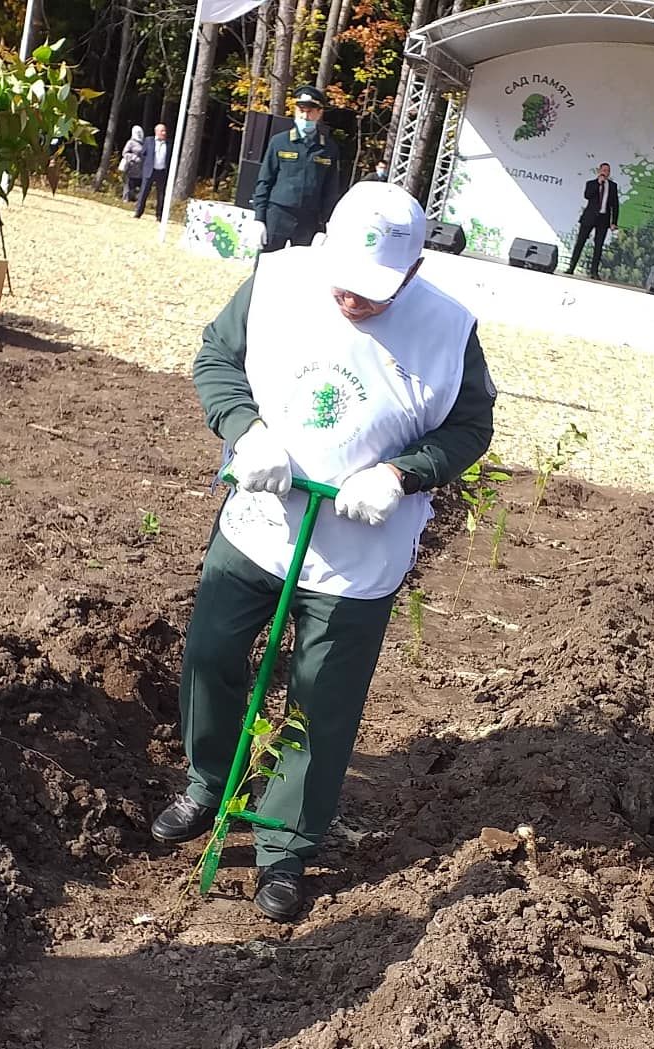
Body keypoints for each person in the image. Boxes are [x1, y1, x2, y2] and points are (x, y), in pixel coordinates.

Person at [150, 182, 497, 922]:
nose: (353, 299)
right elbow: (216, 359)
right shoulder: (276, 280)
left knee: (320, 702)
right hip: (259, 522)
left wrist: (403, 474)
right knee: (211, 653)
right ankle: (208, 781)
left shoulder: (448, 329)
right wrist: (246, 430)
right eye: (343, 281)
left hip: (358, 550)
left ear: (411, 270)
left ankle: (283, 843)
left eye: (375, 290)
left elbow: (469, 428)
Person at [248, 85, 341, 255]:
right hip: (278, 214)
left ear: (319, 113)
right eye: (301, 110)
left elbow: (330, 190)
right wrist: (259, 219)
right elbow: (264, 181)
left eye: (310, 111)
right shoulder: (280, 142)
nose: (305, 115)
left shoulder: (328, 148)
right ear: (295, 111)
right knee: (267, 267)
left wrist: (325, 226)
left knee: (300, 273)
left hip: (309, 219)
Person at [566, 163, 619, 279]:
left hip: (603, 219)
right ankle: (571, 267)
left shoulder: (613, 186)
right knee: (580, 242)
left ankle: (594, 272)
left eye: (608, 170)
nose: (606, 172)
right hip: (589, 217)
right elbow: (587, 195)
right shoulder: (591, 183)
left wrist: (614, 221)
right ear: (599, 171)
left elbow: (615, 205)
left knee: (598, 246)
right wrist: (598, 184)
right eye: (604, 170)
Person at [134, 123, 169, 221]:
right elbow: (143, 154)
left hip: (162, 172)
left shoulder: (169, 143)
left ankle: (159, 215)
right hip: (150, 170)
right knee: (144, 192)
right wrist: (145, 167)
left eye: (165, 131)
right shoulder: (149, 140)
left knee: (161, 194)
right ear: (156, 132)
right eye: (162, 131)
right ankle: (138, 212)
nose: (164, 133)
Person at [120, 125, 145, 203]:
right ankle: (126, 199)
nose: (139, 134)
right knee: (129, 183)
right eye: (137, 132)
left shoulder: (143, 143)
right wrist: (133, 157)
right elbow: (124, 153)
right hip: (131, 167)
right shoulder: (131, 142)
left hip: (140, 168)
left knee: (139, 184)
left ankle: (136, 199)